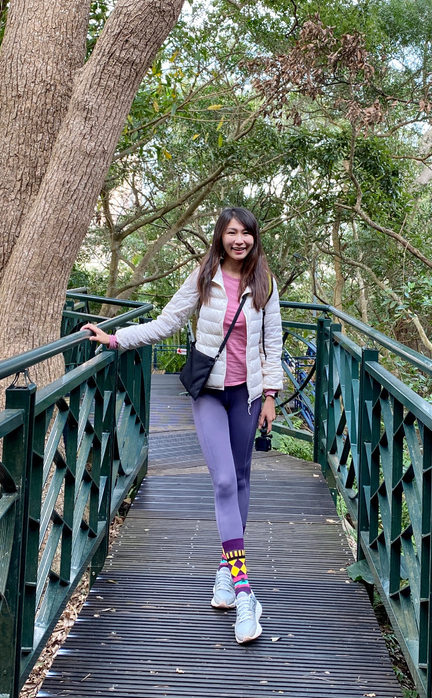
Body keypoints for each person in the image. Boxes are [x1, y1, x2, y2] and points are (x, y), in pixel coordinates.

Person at [81, 207, 283, 645]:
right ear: (220, 237)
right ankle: (245, 592)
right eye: (232, 232)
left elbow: (273, 342)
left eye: (246, 233)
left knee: (241, 477)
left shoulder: (264, 283)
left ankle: (225, 570)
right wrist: (116, 339)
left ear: (255, 238)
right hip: (208, 392)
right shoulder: (204, 276)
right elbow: (167, 322)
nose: (240, 240)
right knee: (224, 481)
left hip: (247, 396)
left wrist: (270, 395)